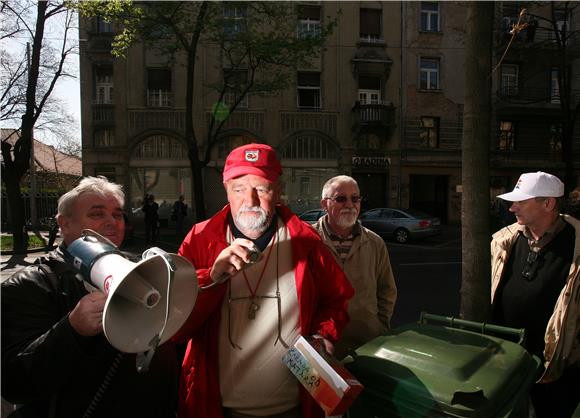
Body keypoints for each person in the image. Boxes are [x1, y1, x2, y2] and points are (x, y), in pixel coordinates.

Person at [173, 143, 354, 418]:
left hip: (294, 408)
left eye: (261, 189)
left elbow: (336, 300)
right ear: (227, 192)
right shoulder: (199, 239)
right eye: (239, 189)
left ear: (279, 191)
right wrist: (211, 277)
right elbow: (175, 325)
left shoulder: (306, 242)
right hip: (218, 408)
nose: (250, 200)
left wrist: (322, 334)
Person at [1, 176, 179, 418]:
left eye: (117, 215)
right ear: (64, 224)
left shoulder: (140, 271)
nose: (111, 222)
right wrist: (72, 330)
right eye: (97, 214)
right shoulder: (31, 285)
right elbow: (15, 382)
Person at [490, 171, 579, 418]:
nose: (512, 208)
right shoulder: (505, 240)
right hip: (507, 358)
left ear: (548, 203)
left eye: (521, 201)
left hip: (554, 369)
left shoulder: (576, 245)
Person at [313, 175, 397, 360]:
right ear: (324, 204)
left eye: (355, 198)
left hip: (366, 346)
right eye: (341, 199)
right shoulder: (308, 240)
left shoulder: (375, 243)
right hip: (319, 347)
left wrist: (379, 327)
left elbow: (387, 290)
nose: (350, 204)